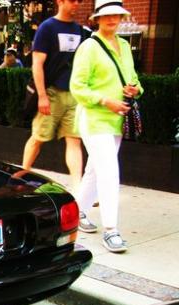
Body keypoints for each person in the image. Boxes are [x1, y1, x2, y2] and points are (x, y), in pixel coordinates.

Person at [70, 0, 142, 253]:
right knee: (109, 170)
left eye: (117, 15)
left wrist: (134, 89)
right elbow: (77, 87)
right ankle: (111, 229)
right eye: (107, 15)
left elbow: (133, 79)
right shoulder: (88, 47)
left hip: (116, 120)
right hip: (94, 119)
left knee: (94, 170)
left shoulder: (123, 45)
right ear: (97, 19)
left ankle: (76, 213)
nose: (113, 20)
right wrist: (105, 100)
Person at [21, 0, 85, 193]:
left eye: (79, 1)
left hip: (73, 94)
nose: (76, 5)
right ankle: (22, 176)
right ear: (60, 1)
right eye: (72, 1)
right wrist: (42, 95)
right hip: (51, 92)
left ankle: (78, 187)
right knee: (39, 137)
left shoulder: (80, 30)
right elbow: (37, 64)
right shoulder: (47, 28)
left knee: (74, 140)